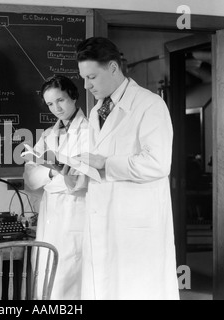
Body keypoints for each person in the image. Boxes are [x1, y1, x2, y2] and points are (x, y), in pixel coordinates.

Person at [75, 37, 179, 300]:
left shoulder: (149, 105)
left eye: (91, 77)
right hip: (104, 220)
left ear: (112, 68)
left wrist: (105, 164)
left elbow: (158, 163)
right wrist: (77, 170)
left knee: (135, 290)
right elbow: (99, 166)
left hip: (136, 227)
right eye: (83, 78)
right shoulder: (98, 109)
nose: (86, 86)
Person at [23, 75, 90, 300]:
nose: (56, 108)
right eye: (50, 104)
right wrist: (53, 172)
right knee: (45, 278)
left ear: (73, 96)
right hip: (50, 215)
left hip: (75, 214)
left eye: (60, 100)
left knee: (69, 280)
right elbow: (30, 178)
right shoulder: (48, 135)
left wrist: (53, 176)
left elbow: (82, 179)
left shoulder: (89, 132)